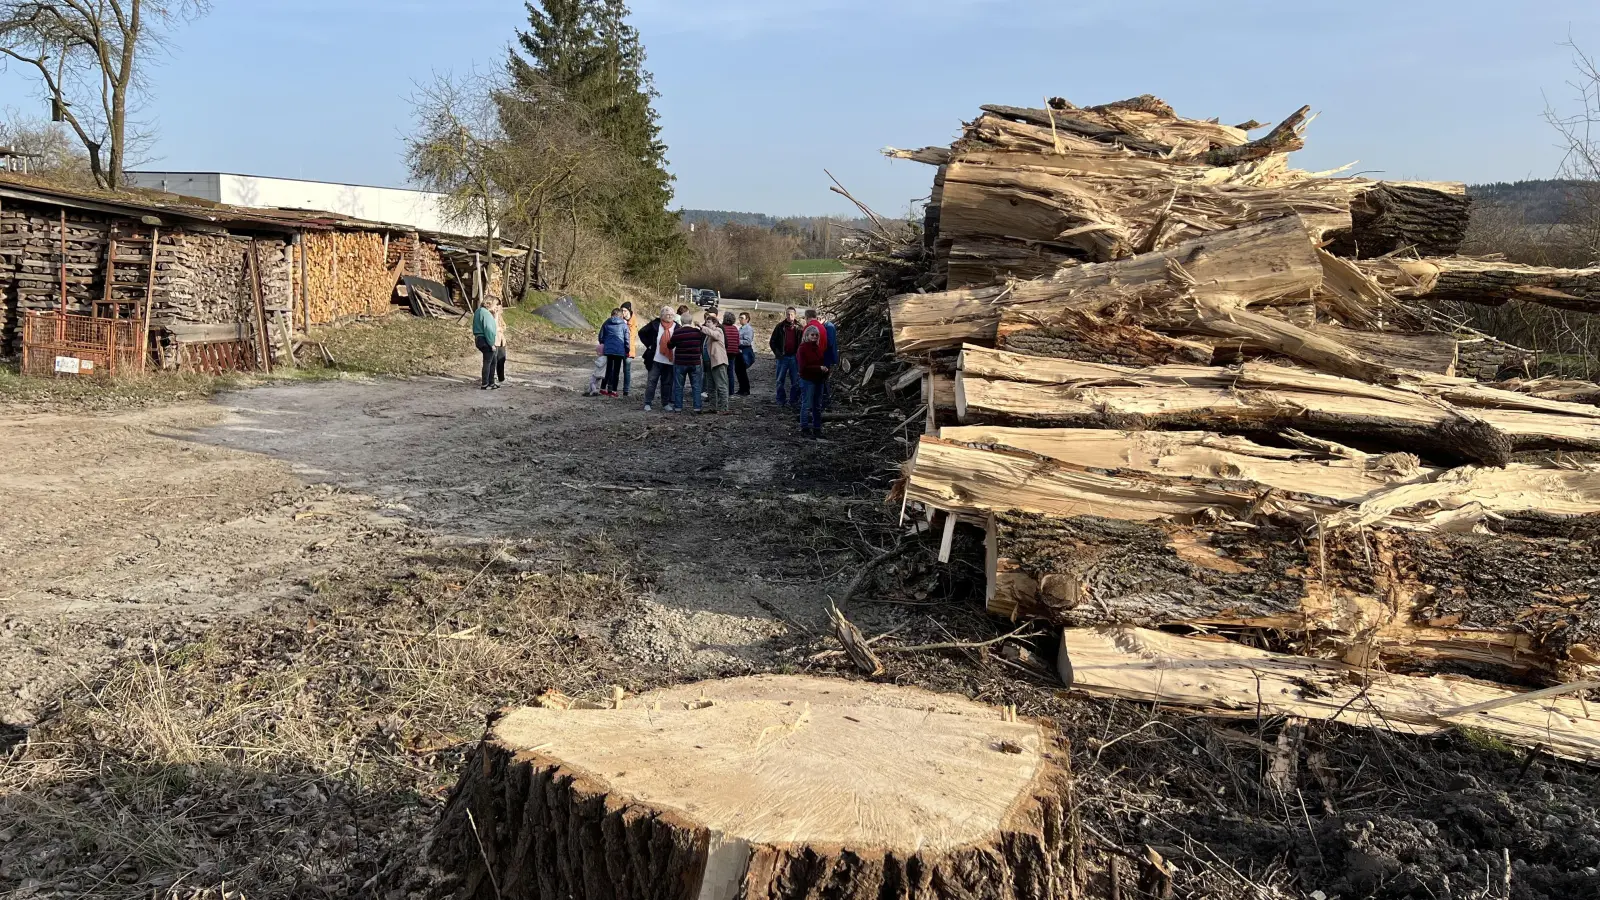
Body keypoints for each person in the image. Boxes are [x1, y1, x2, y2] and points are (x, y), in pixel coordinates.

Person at [797, 316, 830, 436]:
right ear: (807, 335)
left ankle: (817, 428)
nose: (814, 337)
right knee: (806, 404)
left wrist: (825, 370)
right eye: (812, 335)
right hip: (807, 379)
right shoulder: (802, 349)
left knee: (817, 405)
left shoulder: (818, 348)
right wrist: (818, 368)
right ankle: (804, 427)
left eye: (816, 335)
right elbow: (803, 367)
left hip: (819, 379)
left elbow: (821, 362)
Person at [667, 310, 706, 412]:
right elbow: (703, 341)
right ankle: (697, 407)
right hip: (695, 362)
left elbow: (670, 345)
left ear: (681, 321)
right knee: (696, 386)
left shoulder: (677, 332)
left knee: (679, 386)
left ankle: (678, 407)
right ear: (691, 321)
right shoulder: (697, 333)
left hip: (680, 362)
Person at [641, 305, 677, 411]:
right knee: (652, 381)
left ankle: (665, 403)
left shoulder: (677, 326)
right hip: (655, 359)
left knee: (667, 383)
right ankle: (648, 403)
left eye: (671, 315)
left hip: (670, 360)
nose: (669, 316)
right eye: (667, 314)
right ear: (662, 316)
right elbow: (641, 332)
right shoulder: (655, 324)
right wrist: (649, 344)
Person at [769, 306, 803, 407]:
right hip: (783, 357)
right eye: (788, 314)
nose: (789, 316)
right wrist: (778, 353)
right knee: (779, 380)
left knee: (795, 380)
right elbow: (772, 342)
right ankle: (780, 399)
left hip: (794, 357)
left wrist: (799, 354)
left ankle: (793, 400)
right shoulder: (780, 327)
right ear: (785, 315)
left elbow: (803, 343)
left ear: (795, 315)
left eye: (791, 314)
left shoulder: (799, 327)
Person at [701, 314, 731, 414]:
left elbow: (716, 335)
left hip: (718, 362)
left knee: (721, 385)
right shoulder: (707, 335)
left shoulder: (719, 330)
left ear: (715, 323)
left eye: (709, 322)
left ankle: (724, 408)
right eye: (706, 322)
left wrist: (702, 327)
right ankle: (713, 407)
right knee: (711, 387)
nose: (706, 324)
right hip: (709, 363)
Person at [598, 307, 629, 397]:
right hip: (619, 351)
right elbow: (627, 339)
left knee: (608, 370)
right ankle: (614, 391)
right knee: (616, 371)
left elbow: (601, 336)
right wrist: (627, 350)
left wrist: (604, 344)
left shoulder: (606, 323)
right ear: (621, 316)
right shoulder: (624, 325)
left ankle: (603, 388)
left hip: (608, 350)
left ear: (611, 315)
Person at [471, 297, 500, 390]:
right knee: (488, 362)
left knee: (492, 360)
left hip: (478, 339)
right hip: (485, 339)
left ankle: (491, 383)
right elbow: (489, 330)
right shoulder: (486, 314)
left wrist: (495, 315)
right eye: (496, 304)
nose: (496, 307)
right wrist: (492, 344)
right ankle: (486, 383)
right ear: (489, 303)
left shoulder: (478, 311)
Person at [820, 311, 839, 409]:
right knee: (823, 378)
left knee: (824, 378)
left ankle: (826, 400)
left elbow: (830, 342)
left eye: (820, 319)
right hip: (826, 356)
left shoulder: (829, 327)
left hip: (827, 356)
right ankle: (824, 399)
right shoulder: (826, 326)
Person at [732, 312, 754, 395]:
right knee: (739, 371)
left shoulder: (748, 329)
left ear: (747, 319)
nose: (740, 319)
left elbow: (748, 341)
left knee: (742, 372)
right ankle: (742, 389)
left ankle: (745, 389)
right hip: (739, 352)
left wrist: (737, 341)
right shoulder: (741, 328)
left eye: (742, 318)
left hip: (744, 352)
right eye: (739, 317)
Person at [619, 301, 636, 397]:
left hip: (629, 349)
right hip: (619, 348)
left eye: (625, 311)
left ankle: (626, 390)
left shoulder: (633, 321)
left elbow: (632, 336)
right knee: (615, 370)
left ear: (629, 311)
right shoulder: (619, 319)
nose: (623, 313)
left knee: (627, 370)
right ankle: (612, 388)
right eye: (622, 311)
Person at [492, 298, 509, 386]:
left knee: (502, 358)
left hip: (501, 340)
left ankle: (501, 378)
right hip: (495, 340)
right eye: (498, 305)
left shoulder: (500, 316)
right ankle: (492, 377)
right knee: (494, 359)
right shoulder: (491, 315)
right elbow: (493, 328)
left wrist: (500, 328)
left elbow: (504, 326)